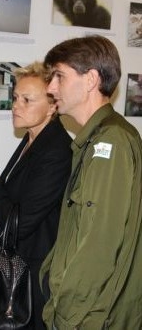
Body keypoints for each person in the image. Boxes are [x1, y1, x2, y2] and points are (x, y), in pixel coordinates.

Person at [40, 35, 142, 329]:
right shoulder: (97, 139)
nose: (51, 88)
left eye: (59, 76)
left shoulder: (110, 142)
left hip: (93, 315)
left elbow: (99, 242)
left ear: (91, 79)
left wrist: (65, 310)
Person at [0, 61, 72, 329]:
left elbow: (22, 222)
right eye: (16, 98)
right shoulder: (31, 139)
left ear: (53, 106)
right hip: (21, 264)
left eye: (27, 100)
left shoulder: (57, 151)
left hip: (36, 273)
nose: (16, 105)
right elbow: (18, 199)